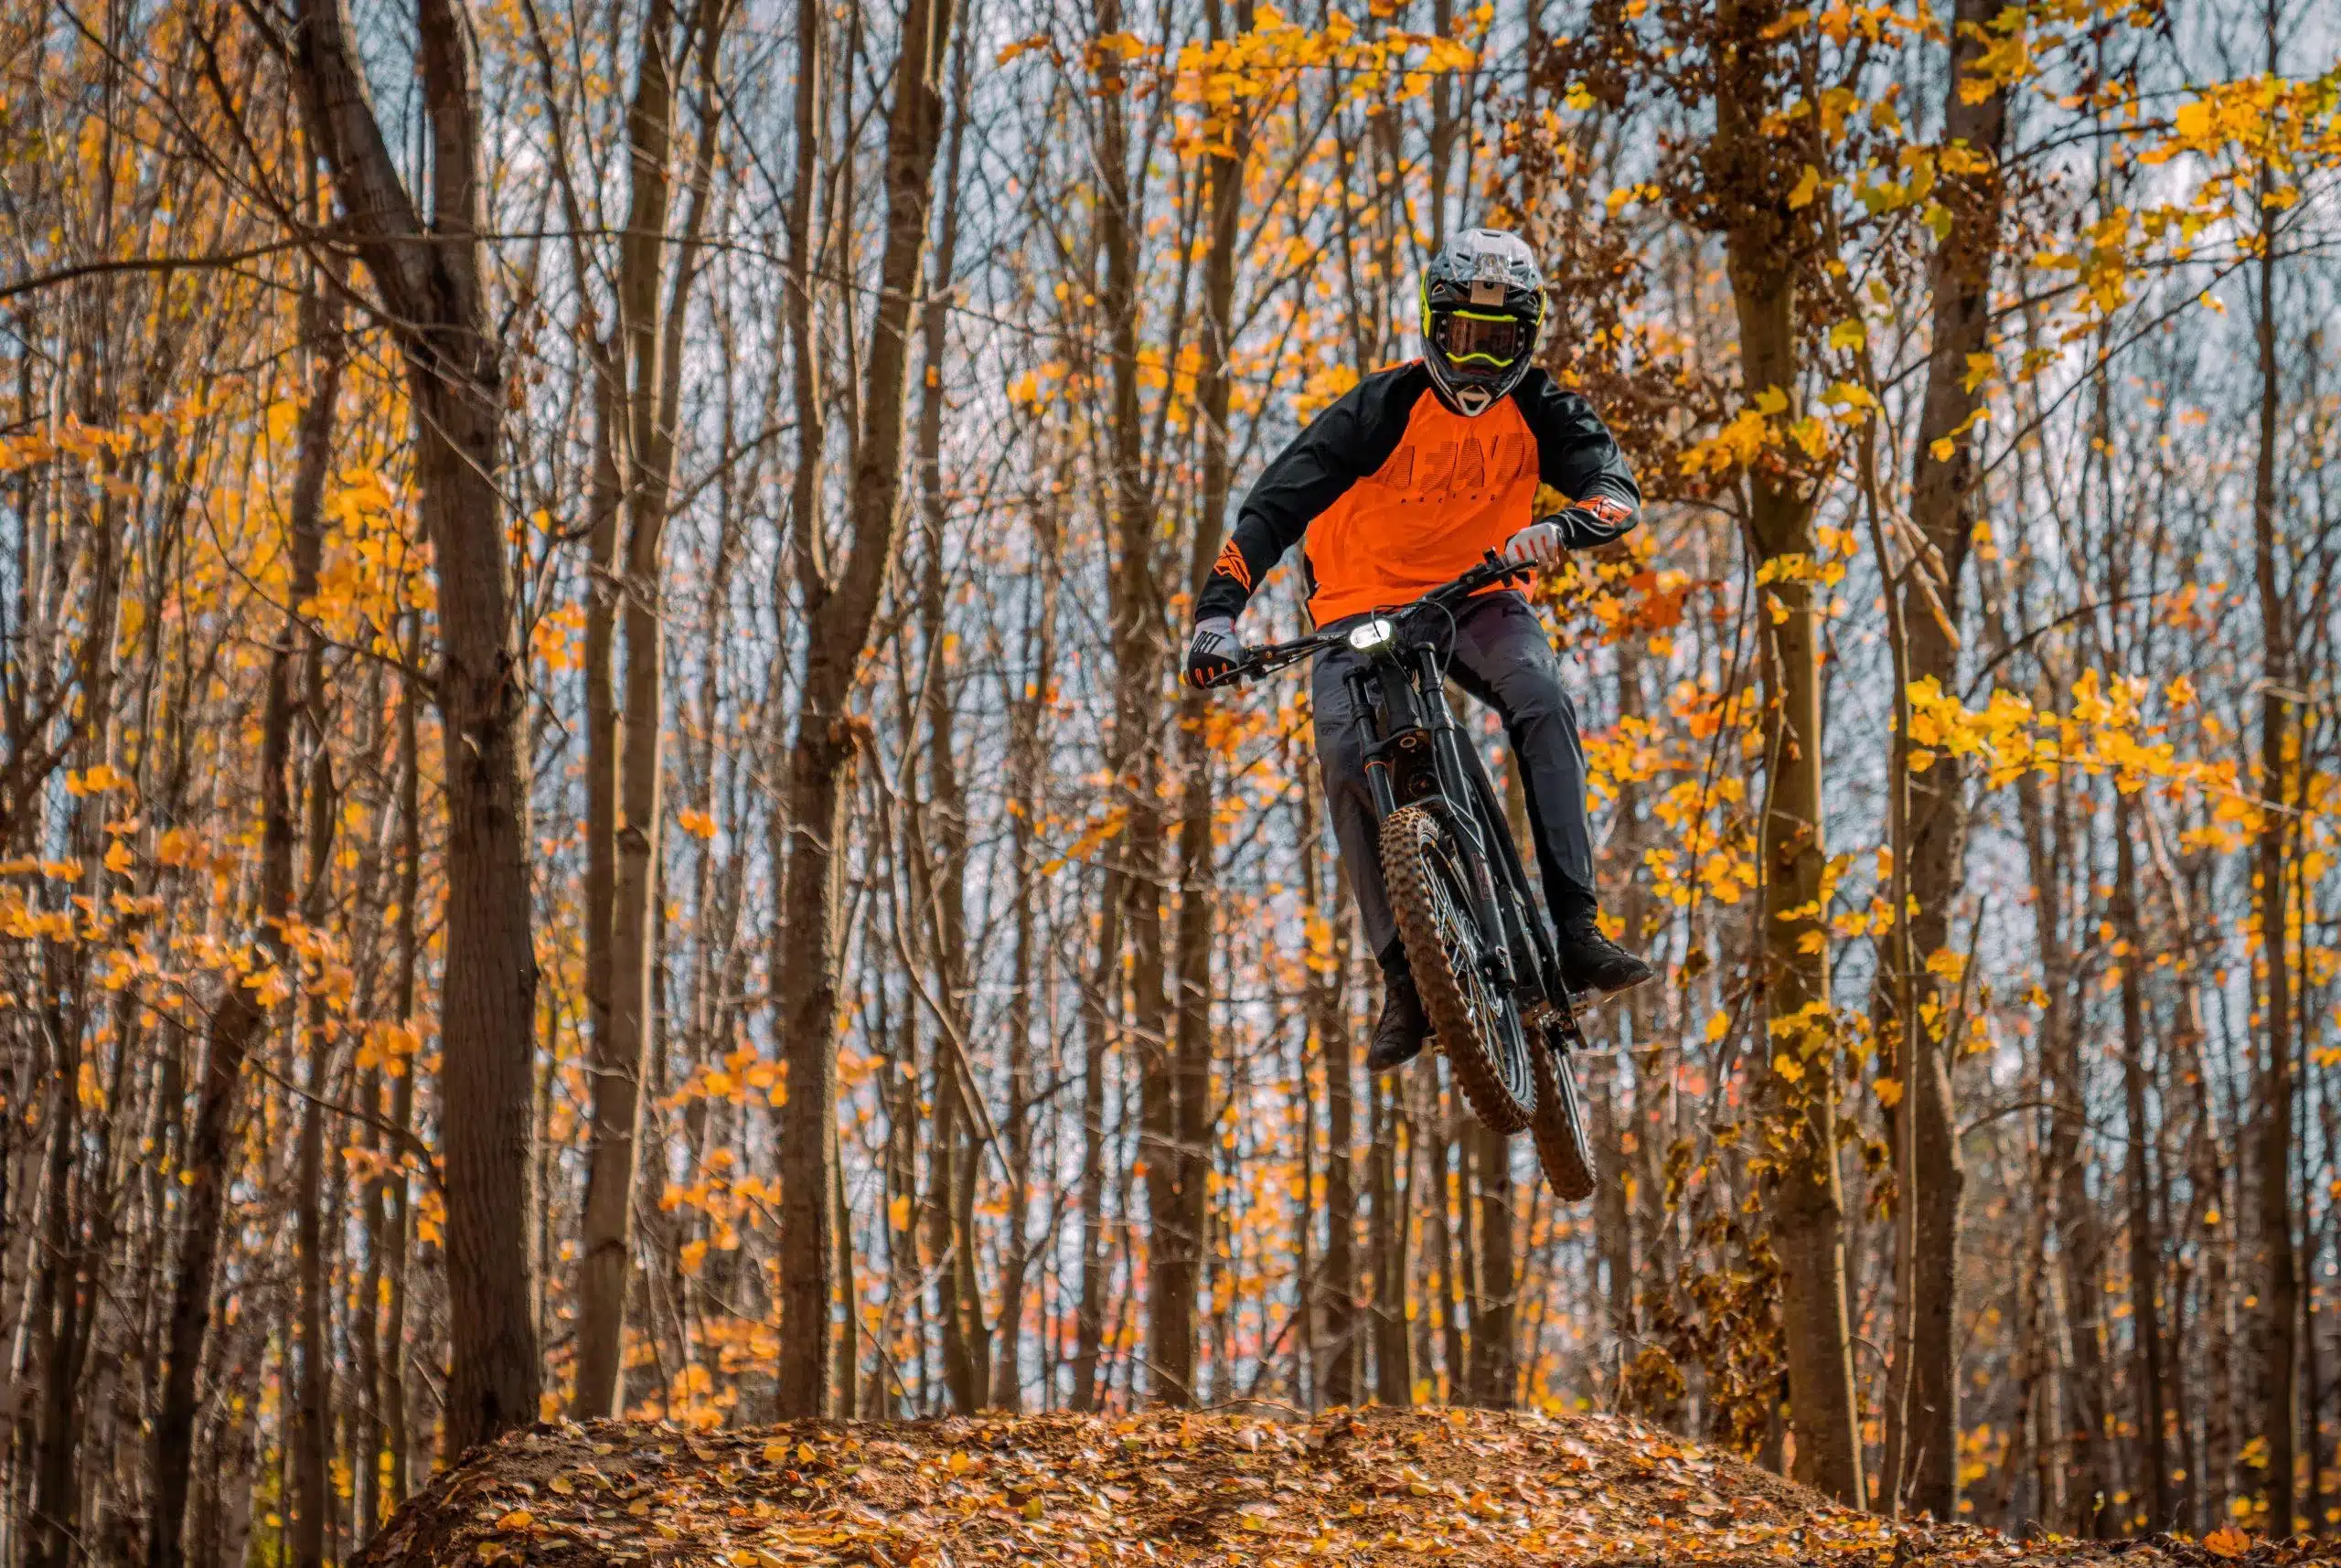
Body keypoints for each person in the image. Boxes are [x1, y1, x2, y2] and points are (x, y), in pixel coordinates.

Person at [1184, 228, 1654, 1073]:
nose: (1479, 363)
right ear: (1435, 326)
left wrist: (1564, 524)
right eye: (1465, 339)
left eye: (1501, 341)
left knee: (1543, 698)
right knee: (1340, 760)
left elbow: (1615, 491)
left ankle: (1576, 930)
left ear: (1529, 338)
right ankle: (1406, 979)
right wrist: (1218, 615)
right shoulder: (1379, 409)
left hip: (1476, 594)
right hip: (1355, 607)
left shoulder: (1543, 407)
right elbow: (1271, 511)